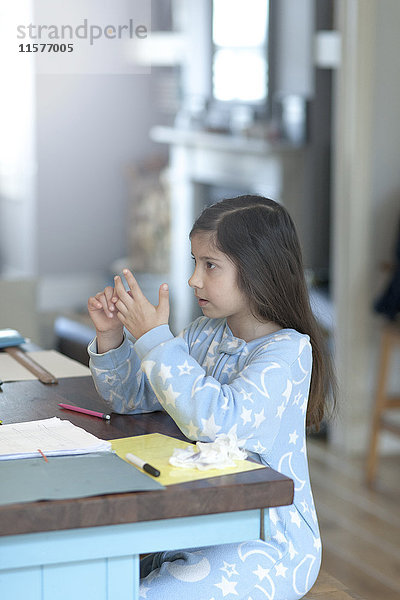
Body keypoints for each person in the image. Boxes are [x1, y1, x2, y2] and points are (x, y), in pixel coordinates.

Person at [87, 195, 336, 600]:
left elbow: (222, 423)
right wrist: (112, 336)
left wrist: (155, 340)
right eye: (194, 262)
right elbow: (132, 396)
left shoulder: (288, 352)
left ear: (258, 269)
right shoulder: (205, 334)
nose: (193, 280)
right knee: (95, 569)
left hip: (266, 539)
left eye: (210, 265)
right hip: (194, 517)